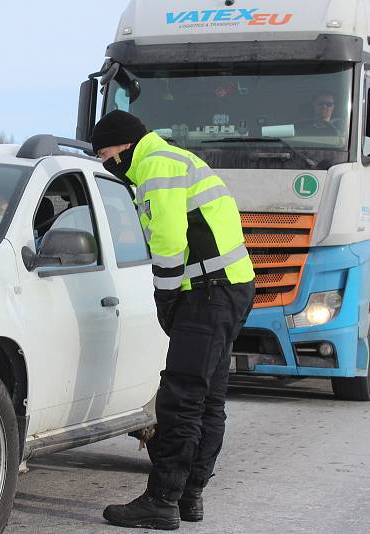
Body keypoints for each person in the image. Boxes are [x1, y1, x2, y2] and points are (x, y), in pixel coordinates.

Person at [91, 110, 255, 530]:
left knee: (181, 397)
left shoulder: (156, 166)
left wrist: (164, 294)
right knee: (207, 398)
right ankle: (189, 496)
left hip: (207, 292)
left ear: (125, 145)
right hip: (229, 288)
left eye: (107, 154)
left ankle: (161, 501)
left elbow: (167, 238)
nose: (107, 163)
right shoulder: (177, 160)